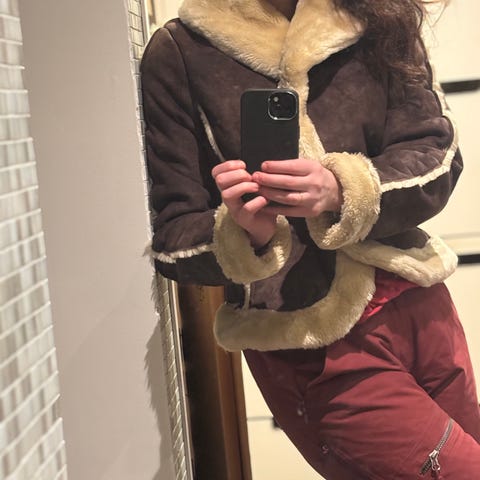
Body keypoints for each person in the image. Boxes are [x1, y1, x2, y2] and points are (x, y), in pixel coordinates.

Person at [141, 0, 480, 477]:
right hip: (311, 340)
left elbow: (436, 154)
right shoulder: (182, 50)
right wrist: (244, 235)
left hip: (421, 306)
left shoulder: (377, 15)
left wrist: (343, 189)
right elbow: (173, 235)